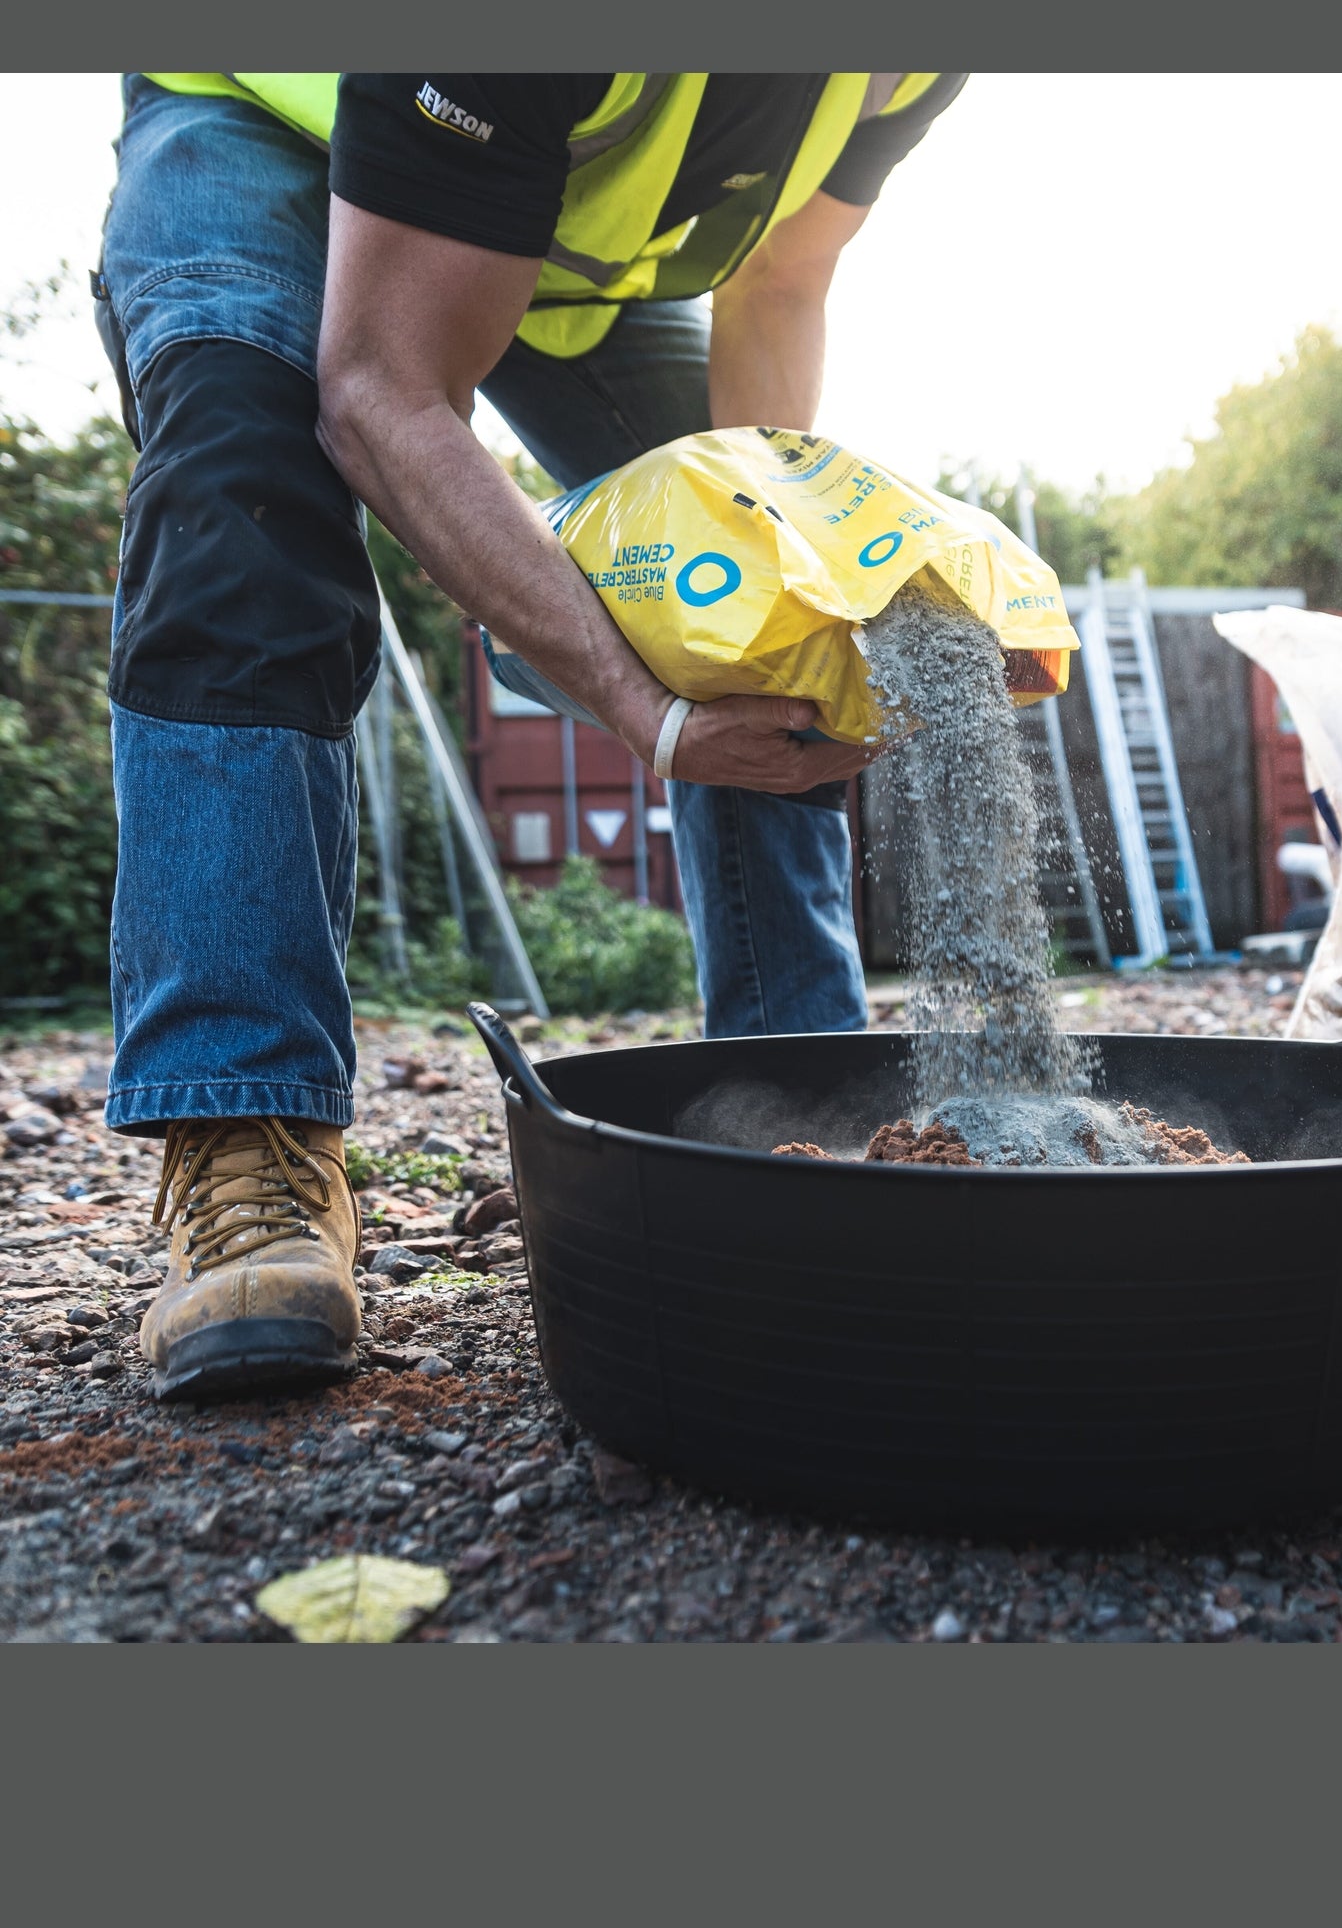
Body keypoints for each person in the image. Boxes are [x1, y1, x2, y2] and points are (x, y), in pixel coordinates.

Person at [92, 71, 965, 1403]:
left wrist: (777, 570)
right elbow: (382, 388)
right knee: (242, 497)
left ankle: (797, 1102)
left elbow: (784, 276)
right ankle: (247, 1143)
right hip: (269, 116)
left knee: (770, 581)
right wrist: (646, 709)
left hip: (540, 220)